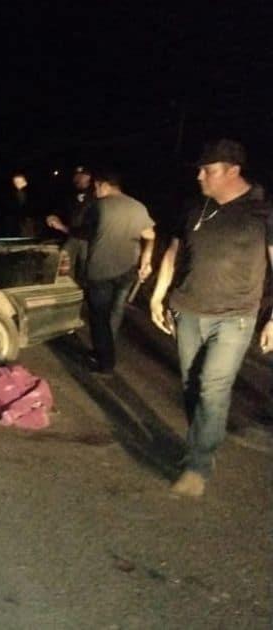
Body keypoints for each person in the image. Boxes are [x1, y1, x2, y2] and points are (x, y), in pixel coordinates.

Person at [148, 139, 273, 498]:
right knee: (191, 386)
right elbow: (172, 253)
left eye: (209, 169)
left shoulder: (262, 212)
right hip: (188, 311)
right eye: (200, 169)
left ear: (233, 171)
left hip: (234, 318)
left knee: (212, 388)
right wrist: (158, 296)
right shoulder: (193, 209)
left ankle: (198, 465)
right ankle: (199, 444)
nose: (200, 175)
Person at [51, 171, 154, 373]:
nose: (95, 191)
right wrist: (147, 260)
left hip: (102, 271)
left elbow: (85, 233)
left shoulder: (98, 206)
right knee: (115, 311)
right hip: (128, 271)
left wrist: (62, 227)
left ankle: (104, 361)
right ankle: (105, 351)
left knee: (99, 317)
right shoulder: (138, 206)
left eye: (96, 187)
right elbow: (150, 235)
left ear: (105, 186)